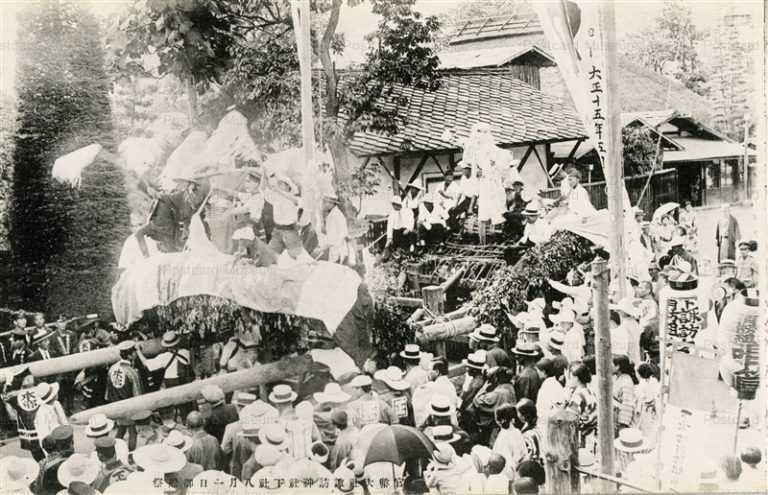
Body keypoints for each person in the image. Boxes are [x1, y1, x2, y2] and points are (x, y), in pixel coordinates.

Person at [138, 331, 195, 417]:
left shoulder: (164, 357)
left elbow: (146, 363)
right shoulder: (185, 352)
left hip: (171, 383)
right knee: (187, 405)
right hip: (184, 381)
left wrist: (138, 351)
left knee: (173, 405)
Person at [106, 341, 143, 451]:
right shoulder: (131, 372)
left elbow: (108, 391)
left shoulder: (112, 368)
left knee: (121, 429)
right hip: (129, 407)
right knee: (133, 432)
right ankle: (131, 454)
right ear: (130, 355)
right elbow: (138, 395)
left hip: (116, 404)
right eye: (134, 352)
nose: (136, 354)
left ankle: (113, 450)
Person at [263, 173, 302, 257]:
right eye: (278, 183)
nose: (279, 185)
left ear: (288, 187)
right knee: (268, 256)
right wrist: (264, 174)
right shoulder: (276, 198)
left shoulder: (294, 199)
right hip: (277, 232)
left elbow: (295, 201)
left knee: (297, 257)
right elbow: (263, 190)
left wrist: (278, 190)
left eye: (281, 184)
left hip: (290, 232)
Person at [563, 361, 597, 449]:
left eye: (570, 378)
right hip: (591, 434)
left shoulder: (577, 396)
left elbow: (569, 419)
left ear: (576, 378)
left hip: (581, 436)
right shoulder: (590, 391)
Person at [492, 403, 526, 482]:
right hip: (520, 471)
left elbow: (505, 462)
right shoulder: (517, 432)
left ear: (501, 420)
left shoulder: (503, 436)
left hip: (508, 475)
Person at [534, 358, 565, 442]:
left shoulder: (548, 386)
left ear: (544, 372)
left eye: (538, 371)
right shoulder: (555, 384)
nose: (537, 373)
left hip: (548, 423)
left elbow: (545, 408)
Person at [316, 193, 350, 264]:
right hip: (335, 250)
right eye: (324, 202)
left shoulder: (336, 215)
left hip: (338, 252)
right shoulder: (332, 214)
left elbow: (338, 236)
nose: (324, 204)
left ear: (331, 204)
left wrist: (323, 247)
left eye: (325, 202)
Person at [33, 382, 68, 451]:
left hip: (64, 435)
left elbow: (64, 420)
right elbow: (43, 435)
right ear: (53, 396)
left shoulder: (57, 404)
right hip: (53, 442)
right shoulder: (41, 413)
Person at [634, 363, 659, 445]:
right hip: (654, 406)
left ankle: (646, 444)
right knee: (652, 427)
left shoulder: (641, 384)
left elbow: (640, 398)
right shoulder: (655, 381)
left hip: (645, 407)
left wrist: (637, 410)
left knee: (645, 428)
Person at [611, 298, 642, 366]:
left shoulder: (625, 325)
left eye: (619, 311)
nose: (618, 312)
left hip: (629, 353)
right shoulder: (634, 323)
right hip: (635, 352)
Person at [612, 355, 638, 434]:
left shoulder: (626, 381)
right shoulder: (618, 379)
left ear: (618, 366)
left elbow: (627, 405)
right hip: (614, 420)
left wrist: (623, 425)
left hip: (620, 423)